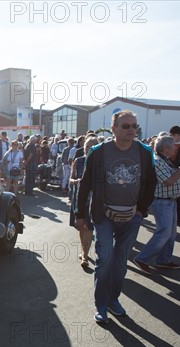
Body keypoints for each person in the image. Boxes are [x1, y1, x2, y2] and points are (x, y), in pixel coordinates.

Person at [75, 110, 157, 323]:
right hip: (104, 216)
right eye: (126, 126)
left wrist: (141, 210)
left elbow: (150, 183)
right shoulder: (98, 151)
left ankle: (113, 299)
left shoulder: (145, 152)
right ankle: (101, 304)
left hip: (132, 217)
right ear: (113, 129)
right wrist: (80, 214)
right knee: (105, 261)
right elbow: (85, 184)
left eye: (134, 126)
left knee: (120, 263)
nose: (132, 130)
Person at [133, 135, 180, 274]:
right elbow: (168, 181)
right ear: (165, 148)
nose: (175, 148)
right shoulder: (157, 161)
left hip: (170, 201)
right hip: (161, 201)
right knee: (164, 232)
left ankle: (163, 260)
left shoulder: (165, 161)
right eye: (173, 146)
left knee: (171, 233)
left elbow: (178, 180)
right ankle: (142, 258)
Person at [69, 136, 99, 268]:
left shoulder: (100, 162)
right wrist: (76, 182)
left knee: (89, 227)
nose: (88, 149)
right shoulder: (78, 160)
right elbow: (71, 178)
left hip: (93, 199)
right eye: (87, 147)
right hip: (78, 198)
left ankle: (85, 256)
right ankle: (83, 249)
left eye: (91, 147)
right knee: (81, 227)